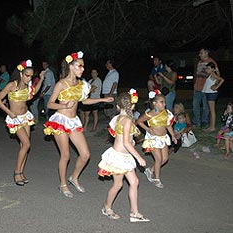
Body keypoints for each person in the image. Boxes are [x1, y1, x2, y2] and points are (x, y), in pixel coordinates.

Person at [43, 51, 114, 198]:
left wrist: (102, 100)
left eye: (83, 66)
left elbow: (84, 101)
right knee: (66, 155)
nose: (82, 69)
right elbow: (50, 104)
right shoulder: (61, 84)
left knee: (85, 154)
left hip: (73, 121)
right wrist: (63, 106)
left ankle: (73, 177)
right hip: (60, 121)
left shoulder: (82, 84)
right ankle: (62, 184)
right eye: (79, 66)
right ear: (71, 66)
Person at [98, 90, 149, 222]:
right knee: (118, 185)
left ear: (118, 106)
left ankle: (134, 212)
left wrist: (130, 140)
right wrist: (139, 157)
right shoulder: (126, 120)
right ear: (132, 106)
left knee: (134, 182)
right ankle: (106, 208)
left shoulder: (117, 118)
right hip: (119, 157)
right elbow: (126, 142)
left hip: (124, 156)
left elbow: (119, 136)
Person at [0, 60, 44, 186]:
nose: (29, 78)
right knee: (26, 144)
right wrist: (9, 112)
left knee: (25, 145)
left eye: (31, 76)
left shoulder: (27, 86)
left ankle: (21, 172)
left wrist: (41, 79)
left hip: (25, 117)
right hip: (15, 118)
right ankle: (17, 172)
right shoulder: (12, 85)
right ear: (21, 74)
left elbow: (33, 94)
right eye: (27, 75)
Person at [136, 90, 177, 189]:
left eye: (164, 102)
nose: (164, 104)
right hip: (153, 139)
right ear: (155, 103)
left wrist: (173, 136)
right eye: (162, 102)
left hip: (163, 138)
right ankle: (157, 179)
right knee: (158, 159)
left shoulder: (166, 113)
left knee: (165, 159)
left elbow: (168, 125)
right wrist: (147, 129)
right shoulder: (150, 113)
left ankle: (150, 170)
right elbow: (139, 121)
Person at [192, 48, 220, 128]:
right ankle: (196, 121)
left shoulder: (211, 62)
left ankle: (204, 121)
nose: (199, 54)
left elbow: (218, 74)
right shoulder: (199, 62)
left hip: (206, 88)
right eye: (199, 53)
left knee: (205, 106)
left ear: (206, 53)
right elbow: (197, 74)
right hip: (197, 87)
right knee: (195, 105)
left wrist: (215, 85)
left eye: (201, 53)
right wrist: (195, 83)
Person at [202, 62, 224, 132]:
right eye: (206, 68)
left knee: (212, 110)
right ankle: (211, 126)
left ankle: (212, 127)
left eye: (208, 68)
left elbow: (222, 80)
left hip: (212, 93)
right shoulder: (210, 74)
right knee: (211, 111)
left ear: (212, 69)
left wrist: (216, 87)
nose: (206, 70)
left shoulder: (213, 74)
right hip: (209, 93)